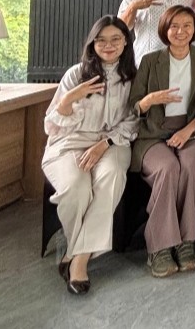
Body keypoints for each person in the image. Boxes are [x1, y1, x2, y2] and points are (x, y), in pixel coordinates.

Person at [41, 15, 139, 295]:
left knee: (111, 177)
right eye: (102, 40)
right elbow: (51, 125)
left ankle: (78, 259)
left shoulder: (132, 76)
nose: (108, 46)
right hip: (68, 142)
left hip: (112, 142)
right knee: (76, 188)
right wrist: (68, 101)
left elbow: (133, 120)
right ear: (92, 43)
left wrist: (104, 143)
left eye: (116, 39)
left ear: (125, 42)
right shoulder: (76, 74)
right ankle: (78, 251)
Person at [128, 6, 195, 278]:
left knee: (191, 165)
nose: (181, 31)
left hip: (193, 129)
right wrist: (150, 101)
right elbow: (133, 107)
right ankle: (160, 246)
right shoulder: (150, 60)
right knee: (168, 169)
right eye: (174, 26)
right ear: (165, 29)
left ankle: (187, 241)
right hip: (153, 133)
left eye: (187, 25)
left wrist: (189, 131)